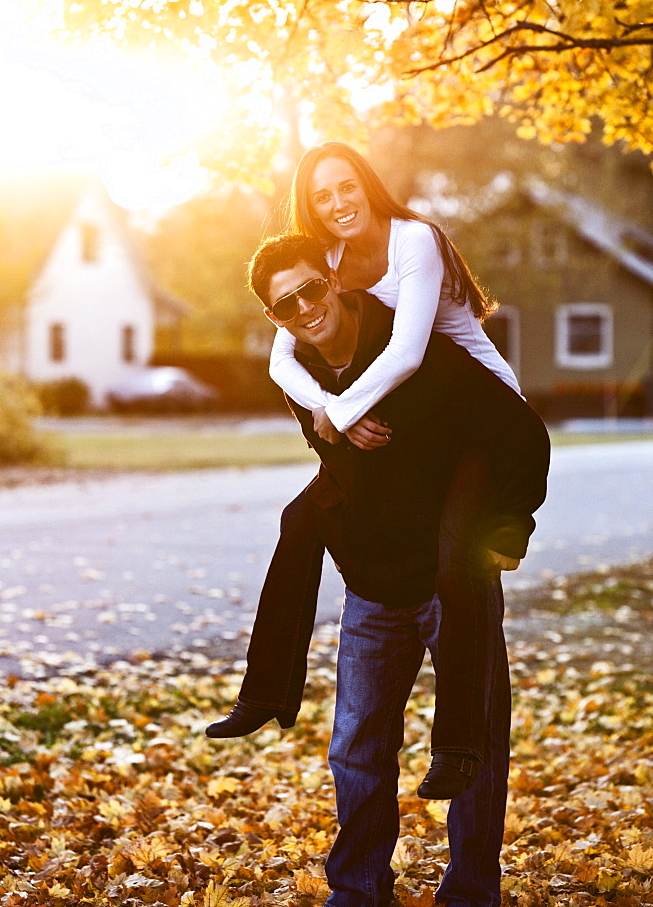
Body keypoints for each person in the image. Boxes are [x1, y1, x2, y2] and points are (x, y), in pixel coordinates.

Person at [207, 233, 549, 907]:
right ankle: (359, 890)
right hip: (372, 586)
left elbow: (520, 430)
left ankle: (472, 891)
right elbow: (328, 453)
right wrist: (337, 418)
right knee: (356, 747)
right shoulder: (301, 375)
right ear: (273, 320)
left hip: (456, 576)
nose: (305, 308)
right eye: (285, 305)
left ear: (332, 282)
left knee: (476, 747)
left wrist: (513, 523)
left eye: (310, 288)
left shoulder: (415, 351)